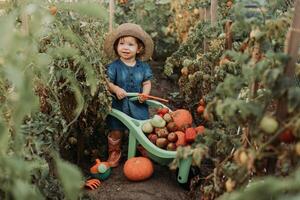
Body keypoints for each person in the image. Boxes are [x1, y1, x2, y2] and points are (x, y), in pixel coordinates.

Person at [103, 23, 154, 167]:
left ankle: (142, 148)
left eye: (131, 45)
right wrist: (116, 89)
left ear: (139, 49)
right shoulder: (114, 66)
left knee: (142, 129)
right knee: (116, 130)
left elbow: (146, 83)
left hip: (137, 104)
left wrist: (145, 94)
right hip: (118, 105)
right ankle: (115, 152)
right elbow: (108, 82)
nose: (125, 47)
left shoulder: (143, 67)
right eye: (121, 43)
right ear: (116, 46)